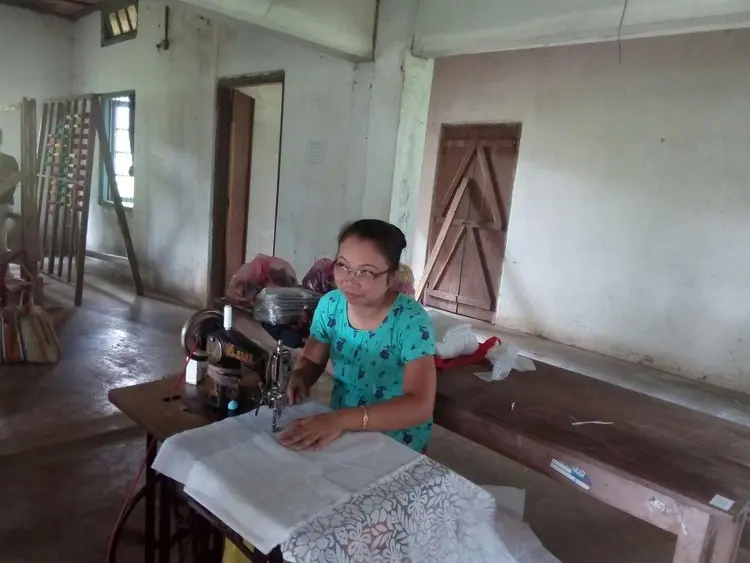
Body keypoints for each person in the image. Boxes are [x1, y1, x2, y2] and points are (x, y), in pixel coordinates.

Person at [279, 219, 436, 454]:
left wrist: (341, 420)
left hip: (396, 439)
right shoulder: (331, 306)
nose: (349, 280)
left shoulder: (410, 321)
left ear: (391, 276)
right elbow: (312, 359)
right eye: (342, 265)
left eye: (366, 272)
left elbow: (419, 405)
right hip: (342, 425)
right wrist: (300, 377)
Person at [0, 128, 20, 251]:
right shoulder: (10, 160)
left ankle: (2, 254)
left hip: (4, 205)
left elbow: (12, 185)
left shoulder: (10, 161)